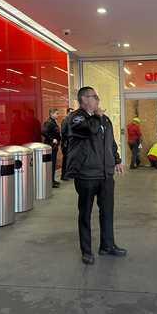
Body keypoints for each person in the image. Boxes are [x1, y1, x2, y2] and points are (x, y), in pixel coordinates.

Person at [65, 86, 127, 265]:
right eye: (94, 97)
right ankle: (86, 251)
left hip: (105, 174)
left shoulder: (105, 119)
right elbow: (89, 130)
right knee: (85, 213)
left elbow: (111, 143)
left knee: (107, 211)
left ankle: (107, 245)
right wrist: (96, 116)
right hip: (86, 175)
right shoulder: (76, 119)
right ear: (84, 99)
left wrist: (116, 159)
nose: (98, 100)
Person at [42, 108, 61, 188]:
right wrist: (52, 139)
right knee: (51, 164)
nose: (58, 115)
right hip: (51, 146)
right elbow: (43, 132)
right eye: (56, 113)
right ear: (51, 114)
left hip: (54, 146)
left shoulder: (53, 122)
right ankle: (50, 181)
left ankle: (52, 180)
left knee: (53, 164)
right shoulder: (49, 122)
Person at [60, 107, 74, 181]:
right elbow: (63, 132)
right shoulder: (66, 120)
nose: (72, 114)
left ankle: (68, 174)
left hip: (70, 142)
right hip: (66, 143)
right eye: (71, 112)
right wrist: (68, 139)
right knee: (65, 159)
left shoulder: (70, 120)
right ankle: (63, 175)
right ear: (68, 113)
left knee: (69, 159)